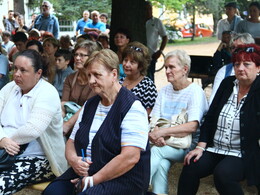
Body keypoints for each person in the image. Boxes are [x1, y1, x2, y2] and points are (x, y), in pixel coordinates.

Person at [43, 49, 150, 195]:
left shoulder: (132, 107)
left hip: (123, 178)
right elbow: (71, 142)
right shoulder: (90, 104)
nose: (91, 81)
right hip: (86, 171)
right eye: (89, 75)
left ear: (113, 74)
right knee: (53, 192)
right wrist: (74, 160)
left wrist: (91, 181)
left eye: (97, 75)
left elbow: (130, 157)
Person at [178, 43, 260, 195]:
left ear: (258, 68)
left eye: (247, 64)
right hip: (216, 148)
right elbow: (210, 117)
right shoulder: (227, 84)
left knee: (223, 174)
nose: (240, 68)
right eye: (237, 64)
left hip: (242, 152)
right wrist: (200, 147)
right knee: (191, 165)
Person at [0, 49, 67, 194]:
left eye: (23, 70)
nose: (16, 74)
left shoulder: (47, 92)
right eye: (15, 68)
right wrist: (2, 139)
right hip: (5, 152)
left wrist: (5, 140)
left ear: (38, 73)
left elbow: (32, 129)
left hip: (41, 158)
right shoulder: (10, 88)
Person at [148, 49, 208, 195]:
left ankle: (135, 186)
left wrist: (162, 133)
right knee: (161, 164)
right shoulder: (165, 91)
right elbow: (154, 119)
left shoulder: (195, 92)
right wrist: (159, 135)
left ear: (184, 69)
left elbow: (193, 126)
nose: (167, 70)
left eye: (172, 67)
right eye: (166, 67)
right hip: (164, 141)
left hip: (188, 145)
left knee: (156, 151)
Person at [61, 40, 99, 136]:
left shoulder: (97, 80)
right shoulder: (70, 78)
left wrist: (68, 124)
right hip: (68, 124)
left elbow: (88, 106)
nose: (77, 58)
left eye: (82, 55)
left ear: (92, 58)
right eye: (76, 54)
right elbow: (63, 103)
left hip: (89, 125)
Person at [209, 33, 255, 104]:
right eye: (233, 48)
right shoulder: (224, 71)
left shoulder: (256, 69)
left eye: (239, 48)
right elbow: (213, 99)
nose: (235, 51)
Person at [120, 41, 157, 115]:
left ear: (141, 66)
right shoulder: (119, 82)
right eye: (125, 60)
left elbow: (148, 115)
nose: (127, 64)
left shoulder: (148, 86)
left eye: (132, 62)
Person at [145, 1, 168, 82]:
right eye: (146, 9)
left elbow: (165, 37)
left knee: (150, 77)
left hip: (151, 55)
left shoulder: (156, 22)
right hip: (138, 55)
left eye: (150, 8)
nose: (148, 11)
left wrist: (160, 51)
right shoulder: (138, 22)